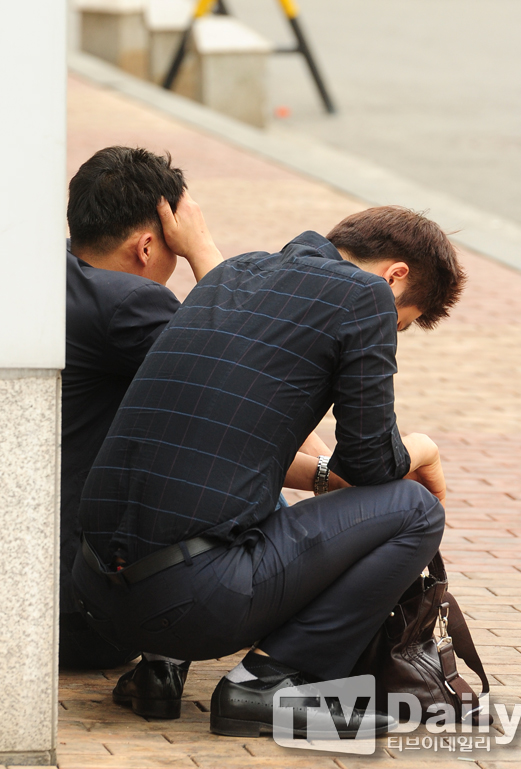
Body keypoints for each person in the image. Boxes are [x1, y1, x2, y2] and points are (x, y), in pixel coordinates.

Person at [73, 205, 466, 736]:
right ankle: (269, 683)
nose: (391, 328)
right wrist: (422, 449)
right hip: (189, 603)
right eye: (401, 322)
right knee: (416, 510)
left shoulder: (233, 273)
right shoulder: (366, 295)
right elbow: (369, 463)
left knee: (220, 484)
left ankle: (159, 670)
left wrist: (327, 477)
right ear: (395, 275)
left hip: (95, 591)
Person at [61, 147, 222, 682]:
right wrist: (202, 249)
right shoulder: (128, 302)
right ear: (148, 245)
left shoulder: (48, 276)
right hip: (81, 619)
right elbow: (243, 380)